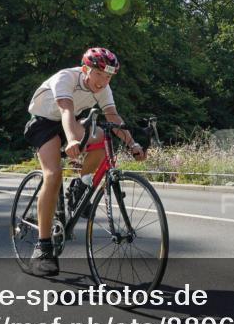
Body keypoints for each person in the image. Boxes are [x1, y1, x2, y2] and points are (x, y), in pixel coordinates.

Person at [23, 47, 146, 276]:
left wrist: (133, 144)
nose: (103, 81)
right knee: (53, 175)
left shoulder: (104, 88)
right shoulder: (66, 78)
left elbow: (113, 117)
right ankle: (43, 247)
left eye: (108, 77)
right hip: (44, 122)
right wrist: (71, 140)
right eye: (99, 74)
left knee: (103, 138)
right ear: (85, 69)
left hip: (72, 121)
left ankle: (80, 187)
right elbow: (66, 111)